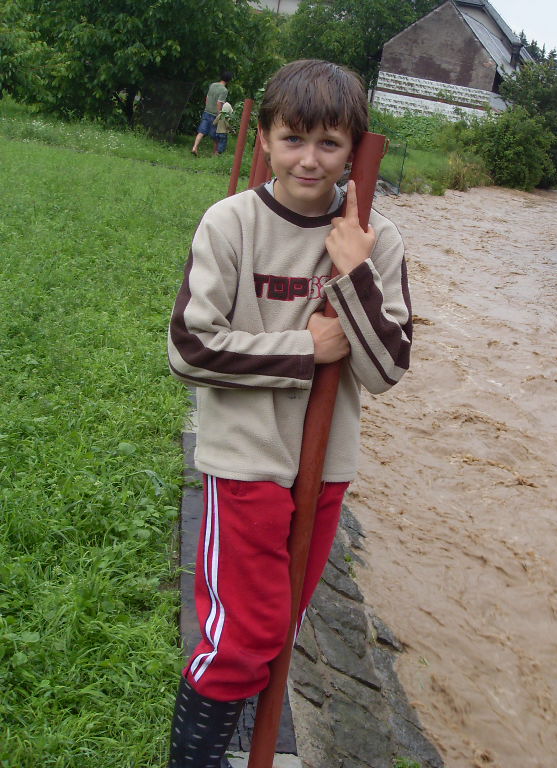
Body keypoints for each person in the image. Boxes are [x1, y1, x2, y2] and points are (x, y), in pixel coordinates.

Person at [166, 59, 412, 767]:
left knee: (280, 630)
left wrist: (355, 271)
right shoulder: (232, 224)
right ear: (267, 139)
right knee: (241, 635)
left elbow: (388, 368)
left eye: (330, 144)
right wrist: (304, 349)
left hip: (324, 469)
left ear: (354, 147)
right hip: (246, 460)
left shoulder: (376, 239)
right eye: (293, 138)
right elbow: (190, 346)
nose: (310, 159)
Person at [191, 71, 232, 157]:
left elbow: (207, 98)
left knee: (201, 131)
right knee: (215, 135)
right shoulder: (224, 90)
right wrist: (220, 114)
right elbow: (219, 103)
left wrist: (207, 107)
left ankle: (195, 147)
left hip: (207, 111)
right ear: (229, 80)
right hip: (215, 114)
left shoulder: (212, 85)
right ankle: (215, 153)